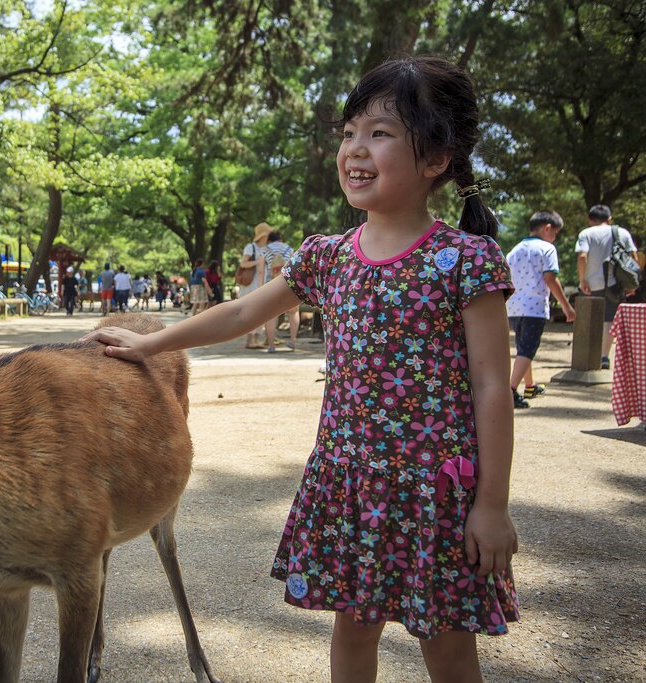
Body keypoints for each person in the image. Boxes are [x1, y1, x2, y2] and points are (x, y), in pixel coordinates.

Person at [85, 56, 519, 682]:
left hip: (437, 494)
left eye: (380, 133)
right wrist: (151, 344)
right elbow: (239, 314)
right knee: (352, 628)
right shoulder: (327, 257)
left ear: (436, 158)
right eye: (349, 133)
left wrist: (492, 504)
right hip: (352, 484)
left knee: (448, 645)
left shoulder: (466, 261)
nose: (355, 149)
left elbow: (491, 387)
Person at [505, 211, 577, 408]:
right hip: (534, 306)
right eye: (555, 233)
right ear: (547, 228)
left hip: (513, 306)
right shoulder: (547, 248)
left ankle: (530, 386)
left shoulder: (515, 250)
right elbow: (550, 278)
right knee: (528, 348)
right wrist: (566, 306)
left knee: (523, 348)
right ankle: (510, 390)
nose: (555, 237)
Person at [575, 205, 640, 369]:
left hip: (591, 284)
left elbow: (582, 256)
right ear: (609, 219)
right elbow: (634, 258)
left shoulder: (586, 233)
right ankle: (604, 356)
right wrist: (632, 282)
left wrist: (582, 280)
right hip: (615, 284)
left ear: (590, 220)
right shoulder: (622, 233)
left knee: (590, 318)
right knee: (609, 320)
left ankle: (588, 355)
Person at [261, 230, 298, 353]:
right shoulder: (289, 248)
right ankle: (292, 342)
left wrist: (261, 288)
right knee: (293, 312)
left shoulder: (265, 250)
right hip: (288, 284)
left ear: (270, 240)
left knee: (271, 315)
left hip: (271, 285)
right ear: (280, 239)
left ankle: (271, 345)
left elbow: (261, 270)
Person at [240, 222, 272, 348]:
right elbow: (243, 264)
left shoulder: (267, 249)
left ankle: (256, 340)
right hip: (251, 285)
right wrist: (257, 262)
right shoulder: (250, 247)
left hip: (262, 284)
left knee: (261, 313)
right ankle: (250, 340)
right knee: (251, 312)